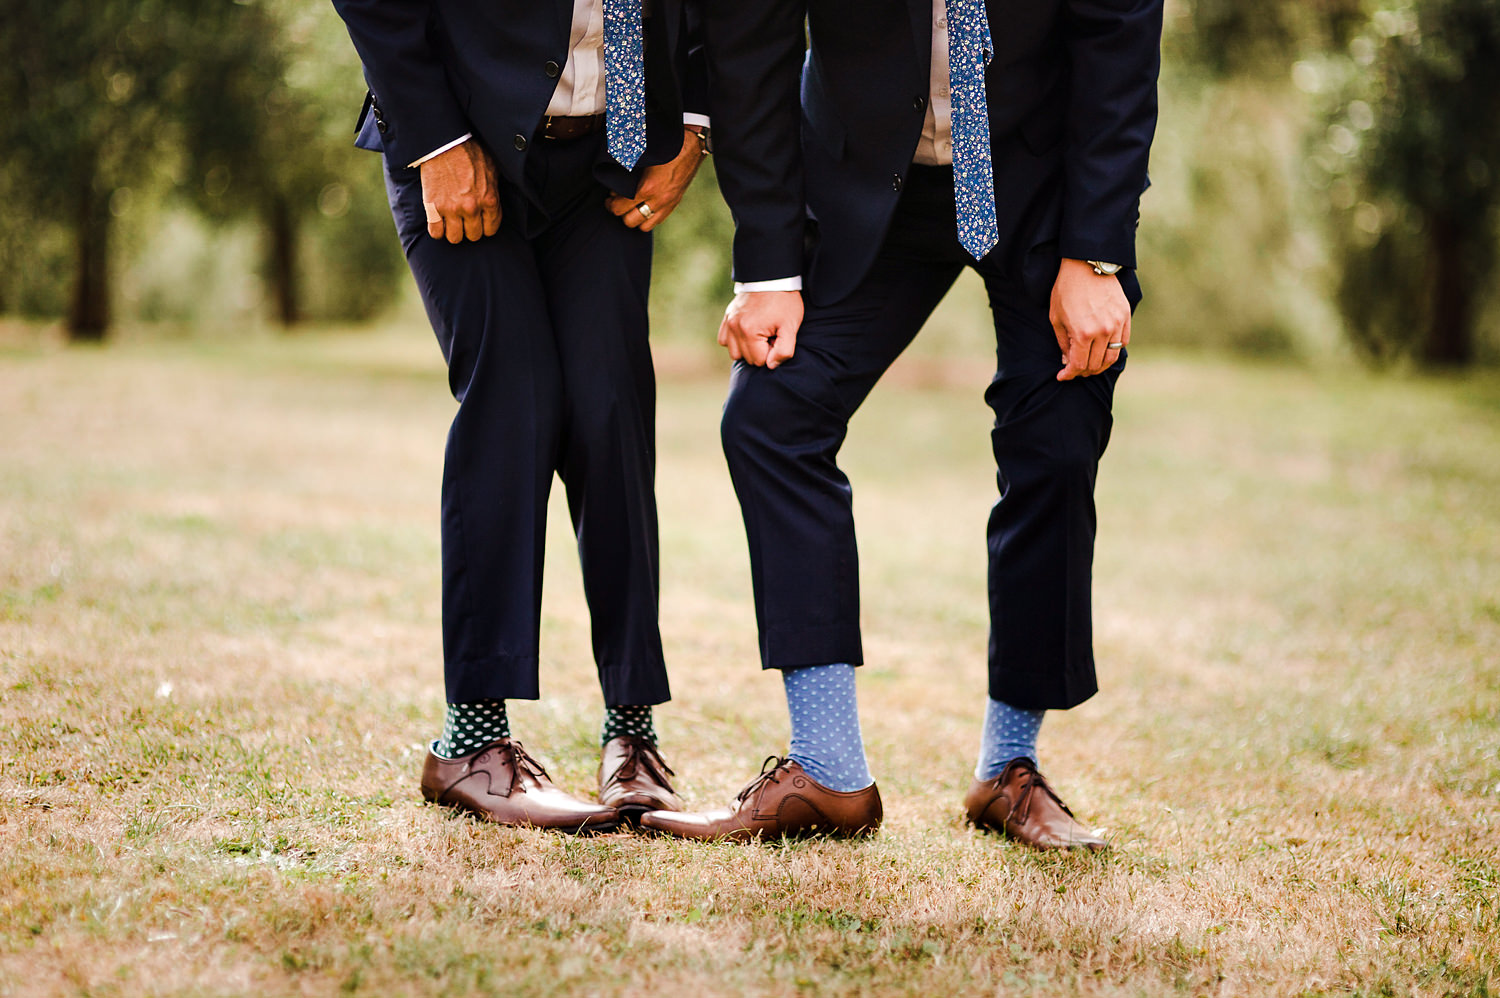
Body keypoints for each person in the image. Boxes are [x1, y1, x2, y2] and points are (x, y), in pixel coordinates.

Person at [642, 0, 1163, 848]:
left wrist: (1096, 253)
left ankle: (1009, 768)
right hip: (863, 181)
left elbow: (1121, 42)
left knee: (1058, 437)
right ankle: (828, 769)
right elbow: (751, 42)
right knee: (771, 414)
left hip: (1044, 188)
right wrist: (768, 263)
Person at [331, 0, 710, 830]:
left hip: (614, 152)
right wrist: (432, 138)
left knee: (612, 413)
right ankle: (470, 741)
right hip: (460, 138)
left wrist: (693, 120)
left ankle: (631, 735)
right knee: (514, 396)